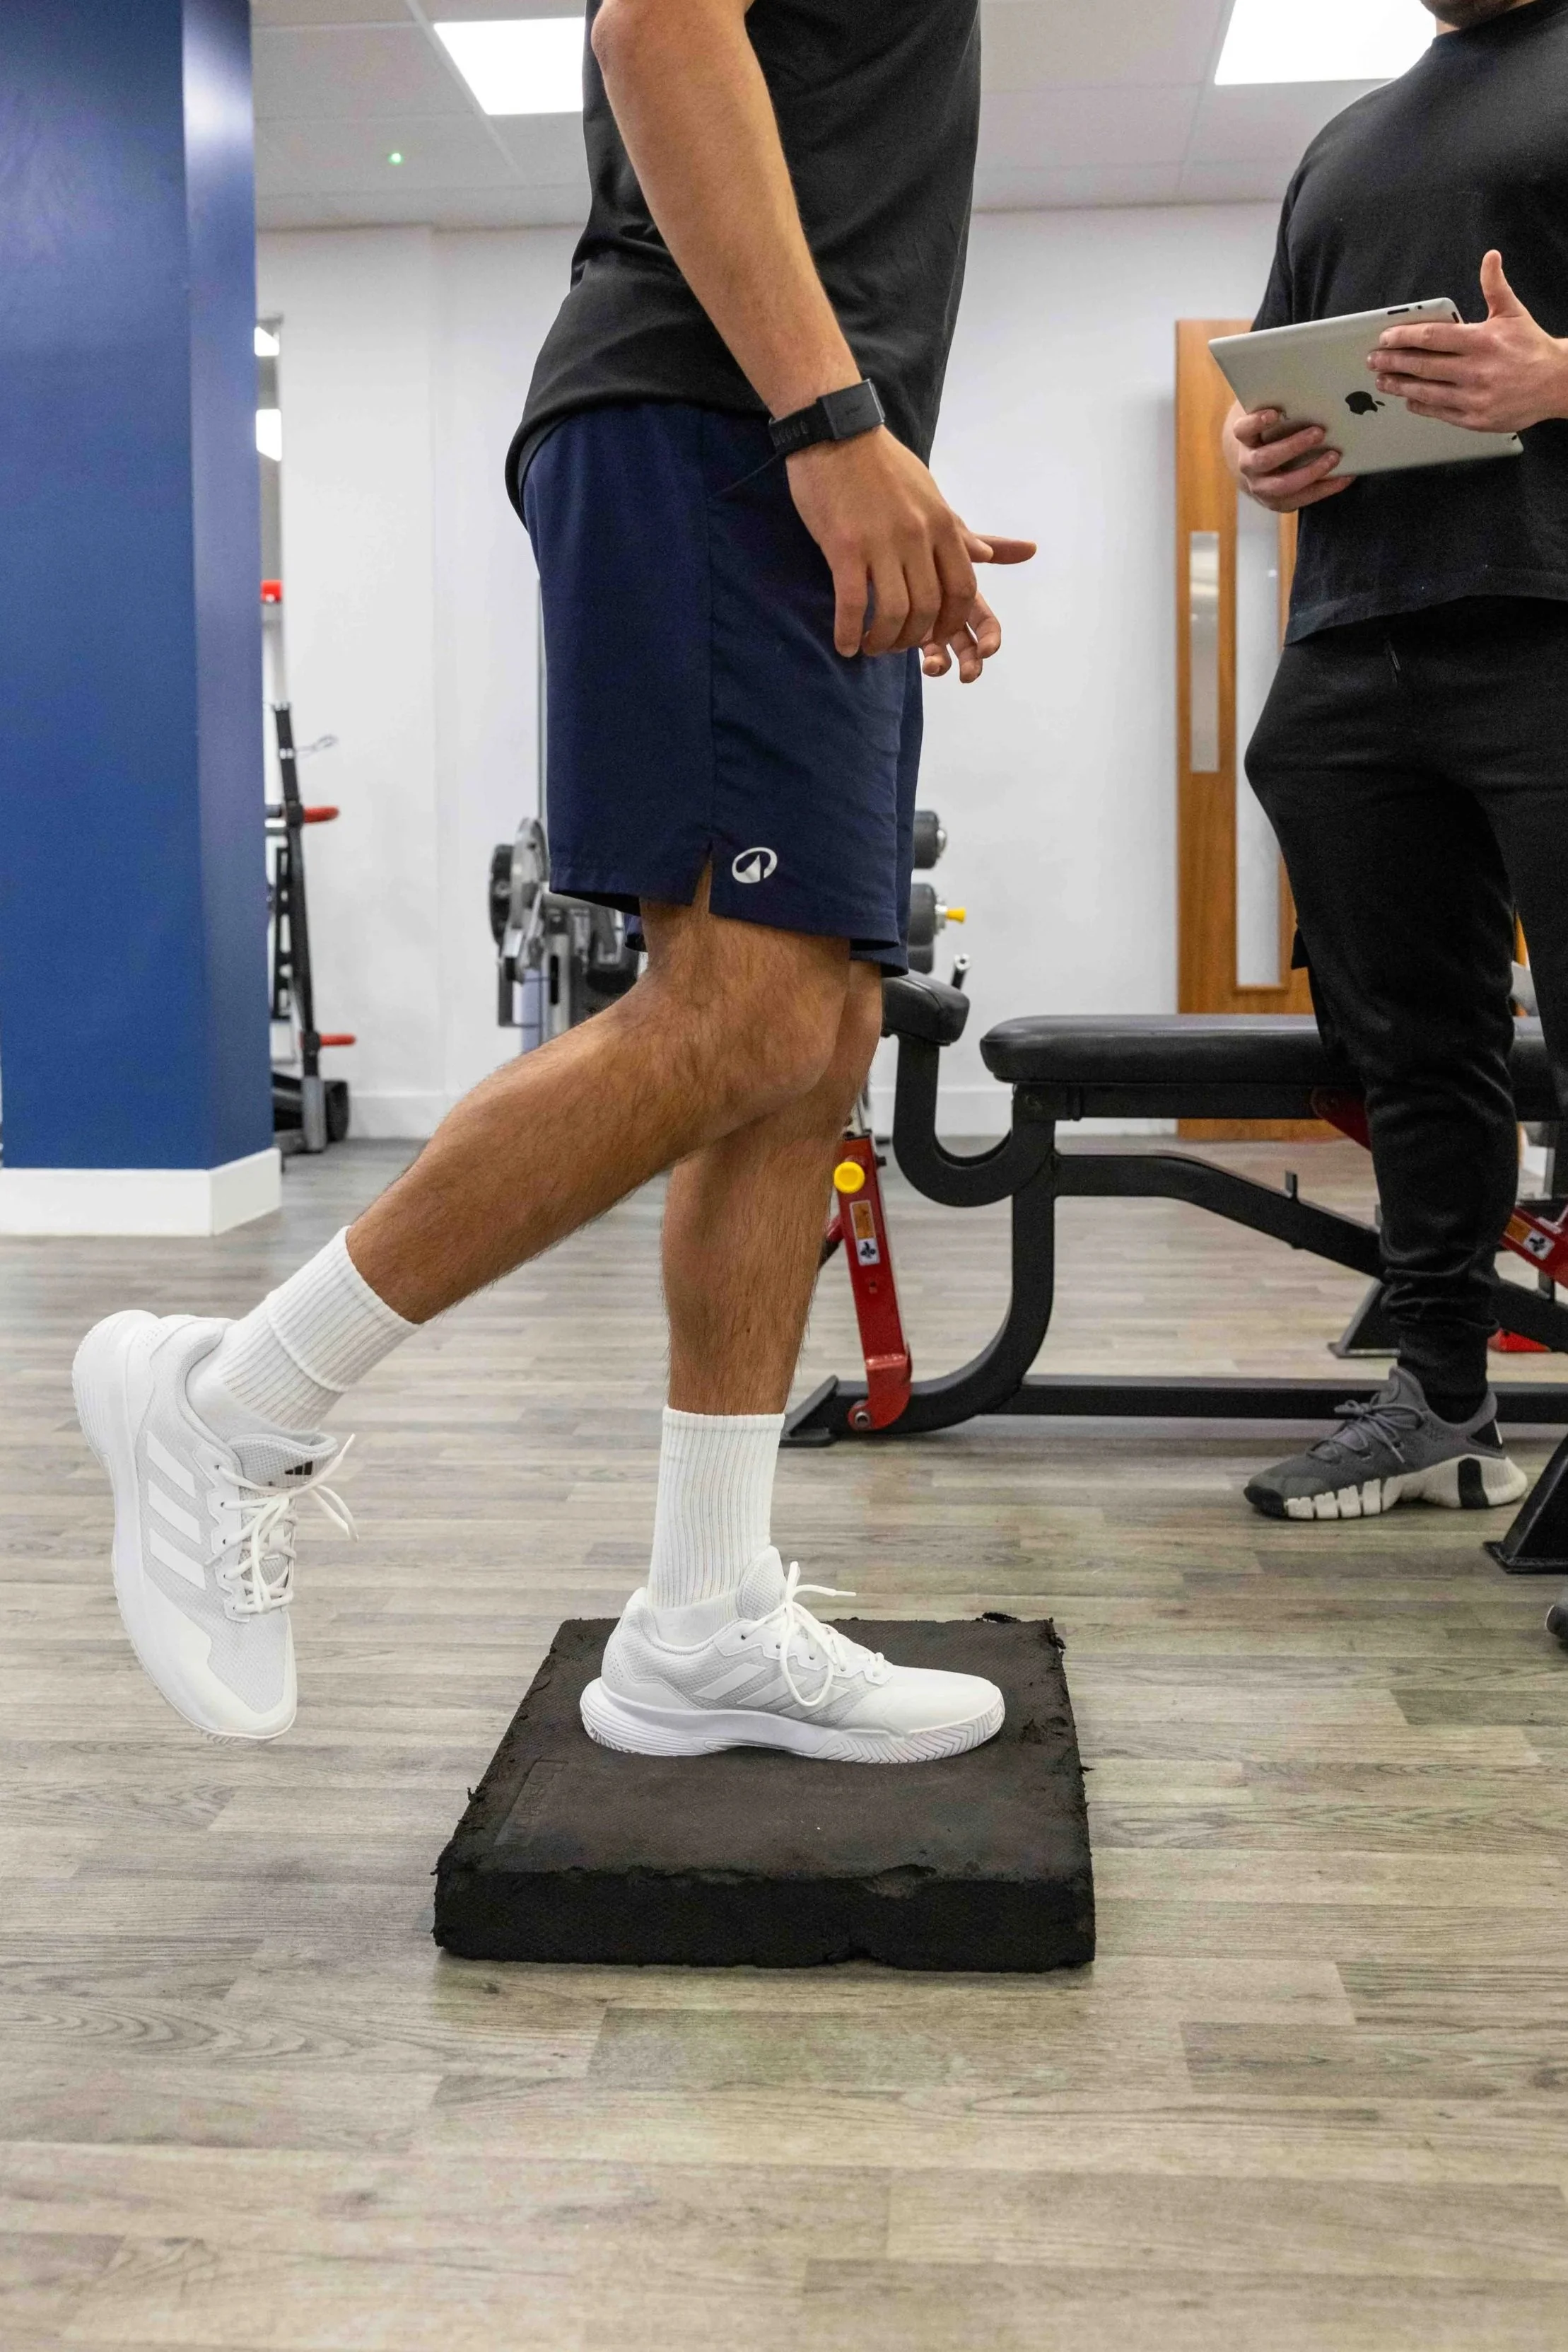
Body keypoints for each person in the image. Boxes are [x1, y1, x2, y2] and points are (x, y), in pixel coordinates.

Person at [71, 0, 1034, 1752]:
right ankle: (226, 1404)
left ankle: (704, 1611)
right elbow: (657, 25)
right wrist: (827, 425)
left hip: (791, 433)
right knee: (739, 1008)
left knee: (811, 1032)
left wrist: (869, 454)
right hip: (719, 419)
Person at [1220, 0, 1568, 1569]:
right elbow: (1282, 388)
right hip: (1354, 640)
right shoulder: (1341, 144)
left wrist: (1555, 378)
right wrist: (1263, 451)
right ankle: (1436, 1390)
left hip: (1550, 622)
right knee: (1415, 1056)